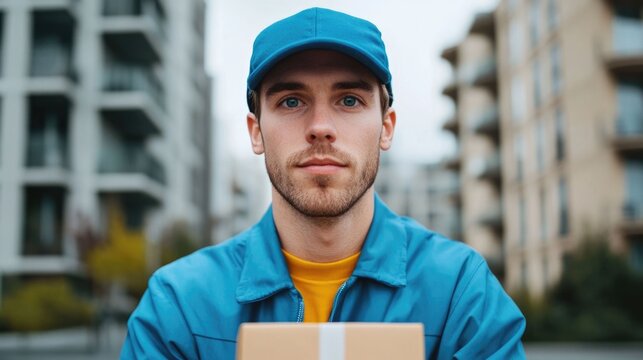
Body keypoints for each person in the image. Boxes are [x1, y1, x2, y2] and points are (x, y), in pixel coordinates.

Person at [121, 7, 526, 359]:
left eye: (349, 100)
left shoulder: (459, 292)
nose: (320, 128)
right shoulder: (179, 305)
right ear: (256, 132)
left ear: (386, 127)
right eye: (291, 101)